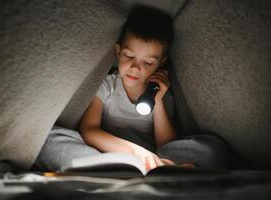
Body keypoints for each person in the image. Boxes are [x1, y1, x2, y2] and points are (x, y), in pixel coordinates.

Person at [34, 6, 229, 172]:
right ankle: (130, 169)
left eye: (148, 62)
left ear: (161, 63)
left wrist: (159, 101)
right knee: (46, 140)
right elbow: (89, 130)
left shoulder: (160, 93)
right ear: (118, 51)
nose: (136, 68)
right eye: (129, 56)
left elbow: (167, 145)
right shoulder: (108, 84)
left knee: (214, 149)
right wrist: (135, 153)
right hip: (108, 153)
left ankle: (139, 171)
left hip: (153, 158)